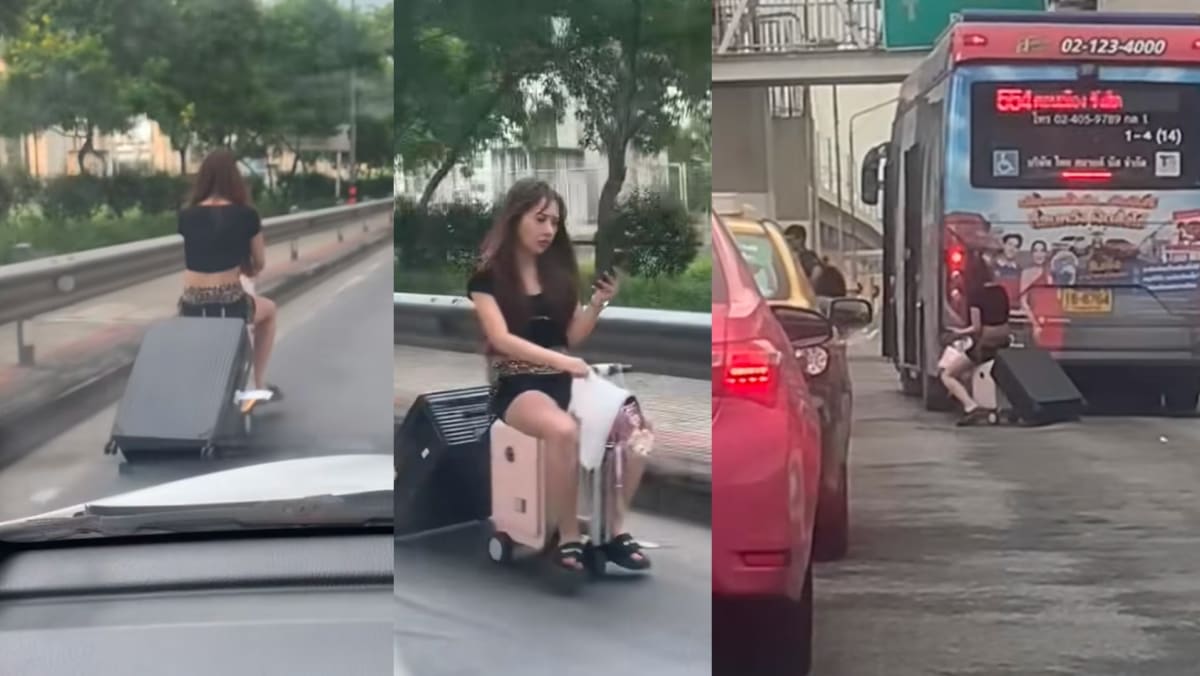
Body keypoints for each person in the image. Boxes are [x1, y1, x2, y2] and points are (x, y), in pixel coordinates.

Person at [466, 178, 651, 575]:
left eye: (555, 221)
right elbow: (501, 339)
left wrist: (598, 304)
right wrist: (561, 362)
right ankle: (567, 537)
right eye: (541, 219)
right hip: (516, 385)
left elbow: (570, 337)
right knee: (562, 430)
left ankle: (611, 528)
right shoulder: (486, 276)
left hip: (563, 380)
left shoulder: (557, 273)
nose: (549, 229)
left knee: (639, 430)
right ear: (516, 218)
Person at [177, 149, 281, 398]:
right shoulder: (247, 215)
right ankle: (258, 383)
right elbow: (259, 262)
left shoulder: (186, 216)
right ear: (234, 179)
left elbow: (202, 253)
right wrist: (246, 266)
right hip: (230, 303)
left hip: (190, 304)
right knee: (269, 312)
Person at [938, 255, 1011, 425]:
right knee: (970, 368)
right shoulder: (1001, 291)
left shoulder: (976, 295)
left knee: (948, 374)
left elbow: (976, 327)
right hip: (1004, 340)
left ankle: (971, 406)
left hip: (986, 344)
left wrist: (957, 332)